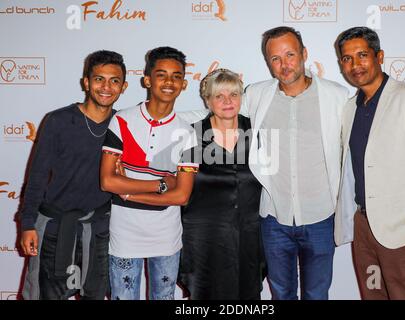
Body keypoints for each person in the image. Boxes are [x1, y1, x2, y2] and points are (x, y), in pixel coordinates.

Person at [179, 26, 348, 300]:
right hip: (273, 218)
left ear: (304, 54)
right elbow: (222, 109)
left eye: (290, 54)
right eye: (275, 59)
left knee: (317, 294)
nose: (284, 64)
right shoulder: (258, 94)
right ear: (268, 63)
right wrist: (161, 118)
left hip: (321, 215)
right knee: (281, 294)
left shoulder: (337, 97)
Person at [334, 26, 405, 300]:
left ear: (379, 56)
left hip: (403, 233)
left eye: (362, 55)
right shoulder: (350, 108)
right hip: (363, 229)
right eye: (347, 59)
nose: (355, 65)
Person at [20, 50, 128, 300]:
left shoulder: (124, 125)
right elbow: (36, 176)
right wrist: (27, 224)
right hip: (55, 228)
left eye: (114, 81)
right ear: (86, 82)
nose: (106, 87)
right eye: (99, 79)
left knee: (97, 295)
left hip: (99, 230)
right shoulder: (58, 120)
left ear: (123, 86)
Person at [100, 46, 199, 300]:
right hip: (124, 235)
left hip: (166, 237)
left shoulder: (187, 134)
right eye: (161, 74)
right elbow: (108, 181)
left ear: (184, 84)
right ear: (147, 80)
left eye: (176, 76)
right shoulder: (122, 120)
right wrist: (161, 184)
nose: (169, 82)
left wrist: (129, 192)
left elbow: (182, 197)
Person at [177, 69, 265, 300]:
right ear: (207, 100)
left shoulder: (258, 132)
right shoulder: (192, 135)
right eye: (219, 96)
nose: (228, 101)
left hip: (249, 235)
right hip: (204, 238)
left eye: (233, 94)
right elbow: (178, 186)